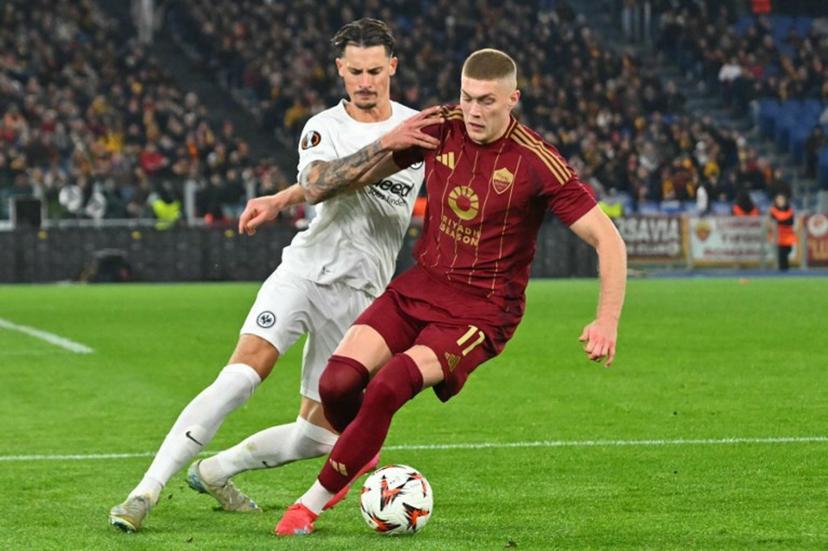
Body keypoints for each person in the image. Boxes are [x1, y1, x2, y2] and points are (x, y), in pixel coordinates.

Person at [273, 48, 627, 536]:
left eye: (486, 101)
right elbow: (359, 175)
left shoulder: (536, 162)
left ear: (512, 99)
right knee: (335, 384)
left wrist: (606, 319)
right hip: (421, 283)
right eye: (466, 98)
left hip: (480, 311)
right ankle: (360, 451)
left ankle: (309, 504)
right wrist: (286, 196)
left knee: (390, 385)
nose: (474, 111)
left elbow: (607, 239)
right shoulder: (440, 126)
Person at [109, 18, 424, 532]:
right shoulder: (324, 126)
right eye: (354, 72)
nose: (365, 82)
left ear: (392, 67)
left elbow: (326, 184)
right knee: (240, 377)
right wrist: (392, 147)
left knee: (319, 437)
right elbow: (322, 183)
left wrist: (281, 197)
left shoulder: (419, 127)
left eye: (374, 70)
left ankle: (217, 469)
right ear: (340, 71)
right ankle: (144, 492)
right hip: (305, 270)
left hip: (362, 294)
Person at [769, 193, 795, 271]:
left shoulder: (790, 210)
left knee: (787, 251)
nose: (780, 201)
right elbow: (773, 221)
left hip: (788, 235)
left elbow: (790, 222)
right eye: (779, 199)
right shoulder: (773, 210)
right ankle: (781, 270)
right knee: (780, 253)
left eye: (782, 199)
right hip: (778, 235)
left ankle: (785, 269)